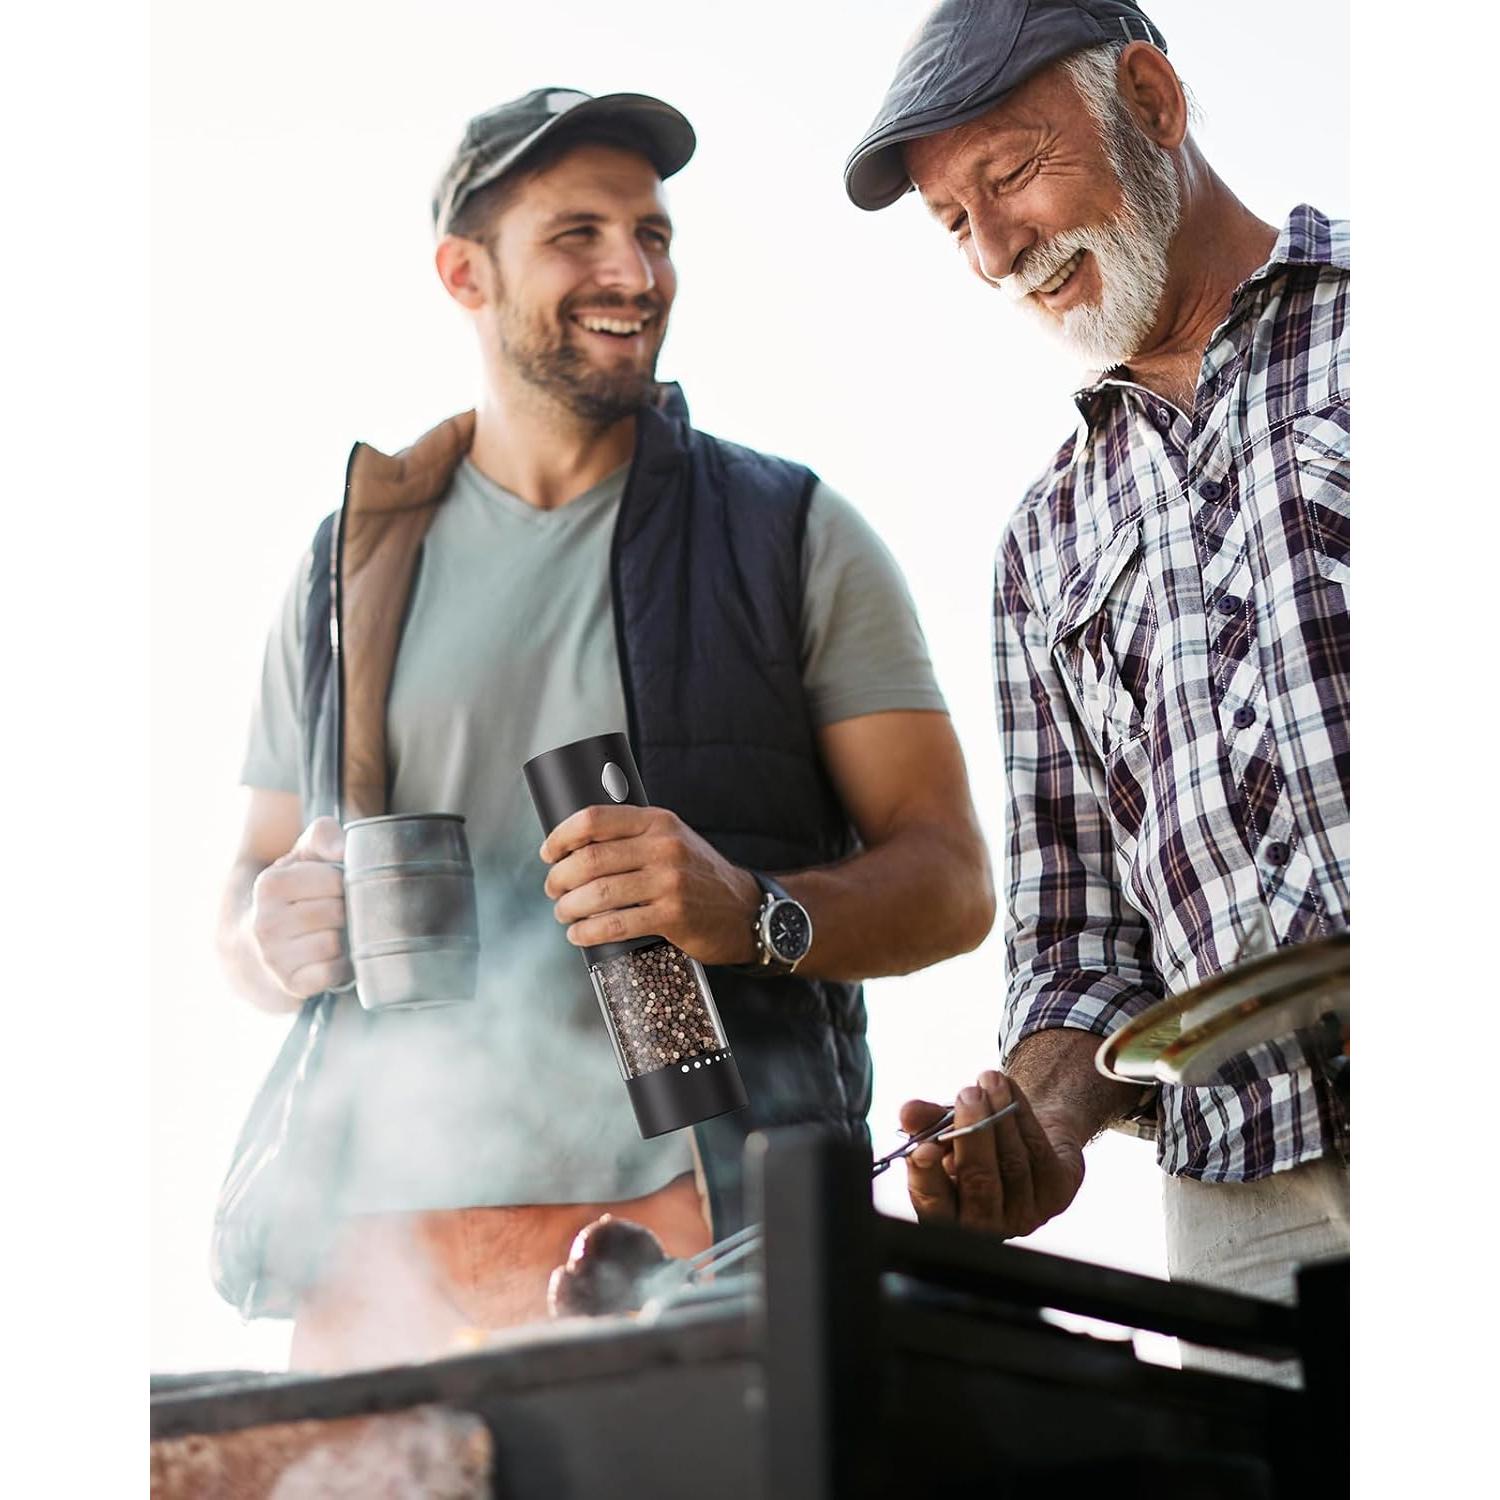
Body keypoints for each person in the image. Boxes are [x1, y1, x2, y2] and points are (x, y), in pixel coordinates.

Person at [217, 86, 994, 1372]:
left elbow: (952, 881)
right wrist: (269, 933)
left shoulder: (793, 534)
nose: (633, 272)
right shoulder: (345, 572)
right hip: (371, 1268)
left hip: (683, 1246)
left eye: (655, 233)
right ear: (465, 274)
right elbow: (245, 900)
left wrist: (750, 908)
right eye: (577, 234)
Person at [843, 0, 1349, 1367]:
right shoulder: (1042, 544)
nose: (999, 250)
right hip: (1248, 1203)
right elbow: (1077, 952)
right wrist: (1037, 1116)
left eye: (1008, 176)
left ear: (1154, 101)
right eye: (956, 222)